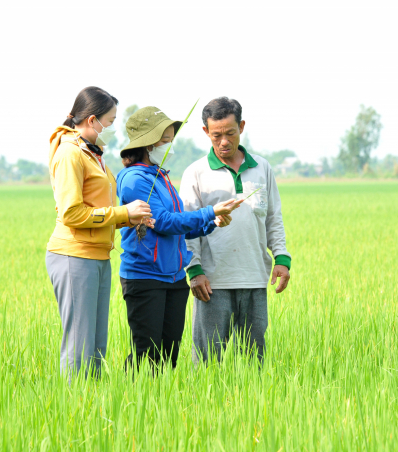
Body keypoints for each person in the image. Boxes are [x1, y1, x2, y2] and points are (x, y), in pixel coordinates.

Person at [116, 106, 243, 371]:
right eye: (164, 140)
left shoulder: (161, 178)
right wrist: (209, 210)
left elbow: (179, 228)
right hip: (145, 277)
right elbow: (163, 222)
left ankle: (160, 406)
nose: (169, 146)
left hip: (173, 278)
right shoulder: (134, 180)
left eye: (170, 139)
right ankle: (131, 404)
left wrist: (210, 223)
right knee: (147, 356)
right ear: (148, 144)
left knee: (168, 355)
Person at [45, 86, 153, 379]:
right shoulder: (70, 153)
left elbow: (98, 207)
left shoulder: (92, 153)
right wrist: (122, 213)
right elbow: (71, 213)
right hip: (74, 255)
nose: (111, 127)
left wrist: (130, 219)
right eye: (109, 120)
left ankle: (90, 407)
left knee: (96, 346)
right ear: (92, 119)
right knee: (79, 345)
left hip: (98, 255)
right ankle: (73, 408)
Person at [179, 97, 292, 365]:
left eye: (230, 133)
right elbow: (188, 227)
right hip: (212, 282)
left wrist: (282, 258)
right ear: (206, 132)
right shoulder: (195, 173)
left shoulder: (261, 167)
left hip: (254, 277)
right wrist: (194, 271)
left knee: (254, 361)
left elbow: (273, 217)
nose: (224, 142)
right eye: (216, 135)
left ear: (241, 126)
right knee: (207, 362)